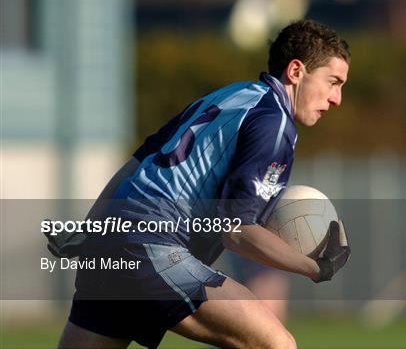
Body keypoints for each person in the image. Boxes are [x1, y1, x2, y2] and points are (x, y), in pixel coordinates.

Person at [49, 19, 351, 349]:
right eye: (333, 82)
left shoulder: (229, 96)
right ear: (296, 72)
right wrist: (315, 267)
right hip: (152, 246)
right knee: (275, 345)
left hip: (111, 244)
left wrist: (92, 230)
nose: (336, 99)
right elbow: (236, 230)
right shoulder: (273, 124)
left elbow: (137, 164)